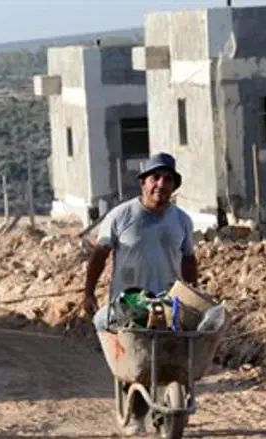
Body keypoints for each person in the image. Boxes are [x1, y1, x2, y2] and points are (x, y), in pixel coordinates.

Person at [82, 152, 198, 436]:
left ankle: (165, 402)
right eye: (155, 178)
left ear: (174, 186)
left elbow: (189, 258)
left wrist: (194, 294)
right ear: (143, 183)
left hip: (169, 303)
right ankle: (133, 407)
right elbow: (100, 254)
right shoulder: (121, 215)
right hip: (129, 302)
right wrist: (88, 292)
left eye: (168, 179)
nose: (161, 184)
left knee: (175, 352)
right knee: (110, 331)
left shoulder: (182, 220)